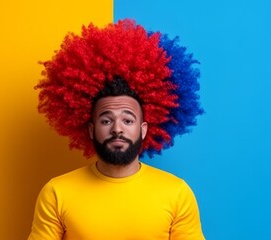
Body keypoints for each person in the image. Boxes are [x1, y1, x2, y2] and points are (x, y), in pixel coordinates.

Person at [29, 19, 205, 240]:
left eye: (128, 120)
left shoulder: (177, 193)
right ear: (91, 130)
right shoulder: (57, 192)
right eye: (106, 120)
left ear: (143, 129)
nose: (117, 129)